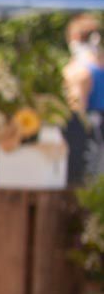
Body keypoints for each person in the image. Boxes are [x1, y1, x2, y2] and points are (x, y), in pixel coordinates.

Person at [62, 14, 104, 183]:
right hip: (97, 125)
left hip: (87, 127)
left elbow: (76, 102)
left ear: (75, 37)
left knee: (83, 179)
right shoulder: (98, 61)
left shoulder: (79, 68)